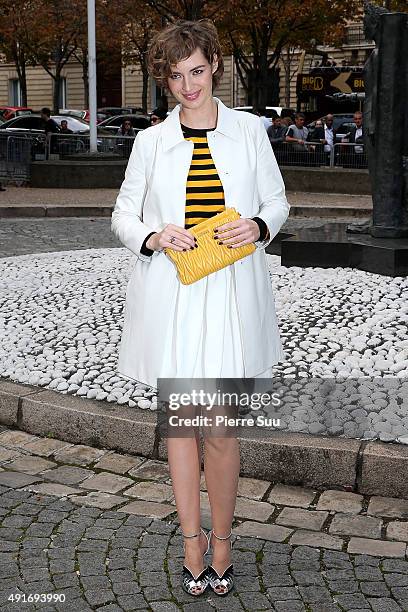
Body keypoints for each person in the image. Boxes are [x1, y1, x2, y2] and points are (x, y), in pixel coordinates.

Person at [111, 19, 289, 598]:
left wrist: (259, 225)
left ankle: (223, 540)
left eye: (196, 70)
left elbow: (278, 201)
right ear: (165, 81)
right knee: (183, 430)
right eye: (175, 76)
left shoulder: (249, 133)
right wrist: (155, 236)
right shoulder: (151, 142)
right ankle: (191, 540)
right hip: (177, 298)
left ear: (214, 64)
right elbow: (122, 216)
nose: (188, 86)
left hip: (233, 295)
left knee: (221, 431)